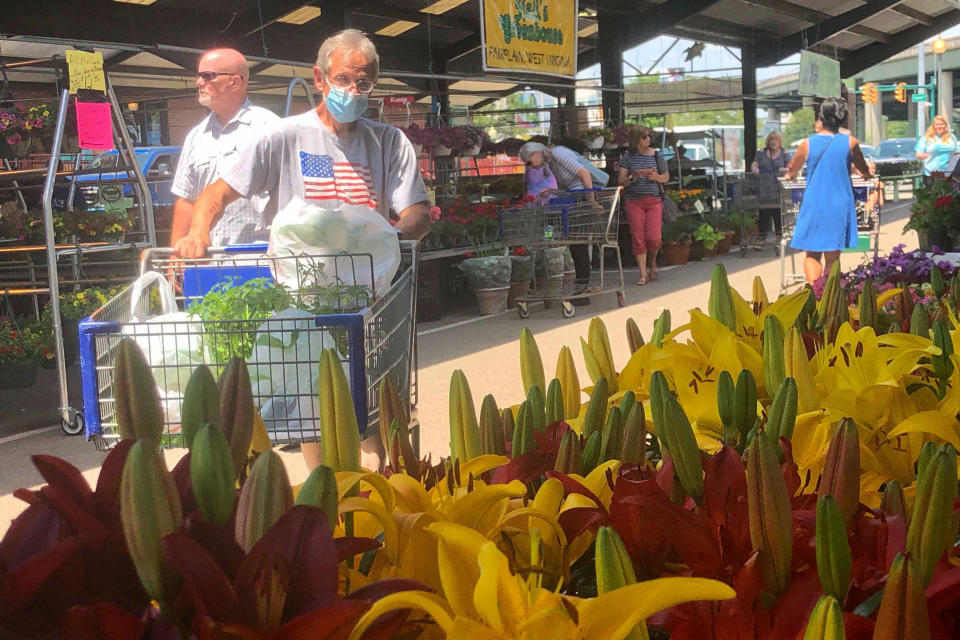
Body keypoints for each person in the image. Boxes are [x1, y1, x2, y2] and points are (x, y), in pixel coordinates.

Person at [174, 29, 432, 471]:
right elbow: (214, 194)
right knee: (316, 403)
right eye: (343, 79)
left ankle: (387, 484)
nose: (352, 91)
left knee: (379, 410)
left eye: (363, 82)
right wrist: (197, 233)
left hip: (375, 299)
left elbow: (418, 213)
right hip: (305, 300)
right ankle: (327, 492)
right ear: (319, 78)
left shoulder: (389, 142)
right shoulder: (284, 137)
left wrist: (393, 230)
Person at [170, 48, 279, 248]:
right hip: (209, 260)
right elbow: (186, 200)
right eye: (199, 75)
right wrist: (174, 259)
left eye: (208, 76)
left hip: (261, 257)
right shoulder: (196, 136)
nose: (199, 82)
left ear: (235, 82)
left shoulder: (269, 128)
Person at [786, 97, 871, 285]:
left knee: (811, 255)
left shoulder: (807, 144)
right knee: (833, 257)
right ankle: (831, 297)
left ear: (821, 117)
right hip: (839, 203)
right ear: (842, 119)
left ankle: (816, 296)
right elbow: (862, 167)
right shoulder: (850, 142)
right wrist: (866, 174)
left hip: (814, 203)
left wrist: (790, 175)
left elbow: (792, 170)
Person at [519, 141, 597, 305]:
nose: (533, 161)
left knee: (578, 244)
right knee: (572, 243)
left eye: (534, 156)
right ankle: (579, 289)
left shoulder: (558, 154)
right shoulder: (546, 165)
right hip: (566, 201)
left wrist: (591, 201)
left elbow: (584, 174)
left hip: (578, 199)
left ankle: (581, 291)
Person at [617, 126, 669, 285]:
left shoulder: (657, 155)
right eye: (645, 136)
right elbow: (621, 181)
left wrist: (656, 177)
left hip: (654, 200)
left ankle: (652, 261)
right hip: (634, 201)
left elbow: (666, 176)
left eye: (649, 136)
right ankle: (642, 273)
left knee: (654, 237)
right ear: (637, 140)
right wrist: (635, 176)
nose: (648, 139)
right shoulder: (628, 157)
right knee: (637, 237)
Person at [750, 130, 790, 244]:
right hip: (764, 189)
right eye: (771, 139)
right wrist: (754, 168)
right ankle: (762, 239)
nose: (773, 142)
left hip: (779, 189)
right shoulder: (762, 152)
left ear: (779, 142)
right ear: (768, 141)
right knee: (764, 214)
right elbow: (754, 163)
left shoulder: (784, 152)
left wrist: (785, 169)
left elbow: (791, 165)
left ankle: (779, 238)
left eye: (776, 140)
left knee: (778, 214)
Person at [915, 115, 958, 187]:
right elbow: (918, 154)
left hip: (949, 173)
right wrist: (924, 155)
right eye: (937, 124)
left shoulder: (951, 137)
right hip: (931, 173)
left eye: (942, 124)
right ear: (933, 126)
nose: (939, 126)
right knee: (932, 196)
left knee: (950, 196)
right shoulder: (926, 138)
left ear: (945, 125)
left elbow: (957, 152)